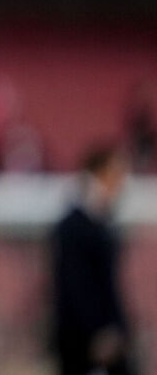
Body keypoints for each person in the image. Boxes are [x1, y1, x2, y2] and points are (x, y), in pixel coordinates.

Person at [50, 143, 133, 375]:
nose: (120, 183)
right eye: (115, 175)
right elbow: (74, 286)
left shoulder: (103, 226)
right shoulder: (73, 228)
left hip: (108, 338)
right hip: (84, 344)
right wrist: (97, 332)